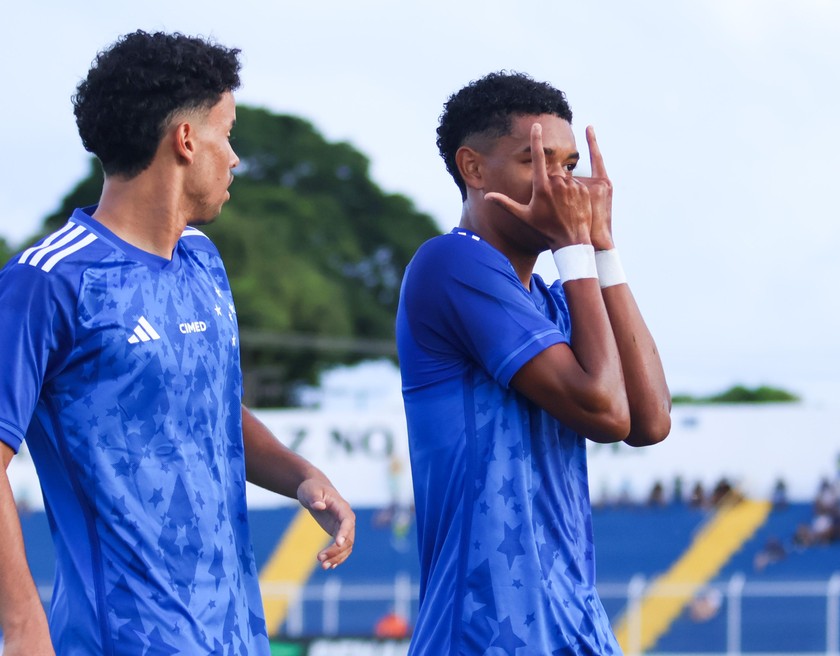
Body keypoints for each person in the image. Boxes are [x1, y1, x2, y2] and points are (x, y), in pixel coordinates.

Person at [0, 31, 355, 655]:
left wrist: (300, 474)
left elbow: (209, 404)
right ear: (186, 141)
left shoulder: (202, 259)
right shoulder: (49, 281)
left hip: (237, 639)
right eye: (228, 132)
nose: (236, 157)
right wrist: (25, 631)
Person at [397, 71, 671, 654]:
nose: (561, 186)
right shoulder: (450, 263)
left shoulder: (551, 297)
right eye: (536, 162)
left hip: (575, 622)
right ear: (472, 168)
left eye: (569, 167)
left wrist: (601, 248)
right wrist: (574, 247)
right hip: (485, 631)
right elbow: (604, 410)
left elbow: (650, 421)